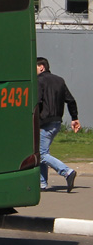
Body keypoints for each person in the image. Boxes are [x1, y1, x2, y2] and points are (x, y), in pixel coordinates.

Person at [38, 56, 81, 192]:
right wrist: (75, 118)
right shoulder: (60, 80)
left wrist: (35, 122)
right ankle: (42, 184)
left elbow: (38, 103)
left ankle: (67, 172)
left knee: (40, 153)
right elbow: (71, 100)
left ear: (41, 67)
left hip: (44, 122)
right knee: (43, 151)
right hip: (57, 122)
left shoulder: (39, 81)